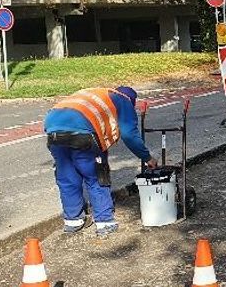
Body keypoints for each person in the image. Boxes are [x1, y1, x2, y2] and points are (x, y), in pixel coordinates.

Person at [44, 86, 157, 237]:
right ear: (131, 100)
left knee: (67, 176)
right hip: (83, 133)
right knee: (96, 176)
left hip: (53, 130)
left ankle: (73, 221)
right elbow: (129, 134)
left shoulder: (98, 93)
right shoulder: (123, 100)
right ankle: (104, 222)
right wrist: (147, 157)